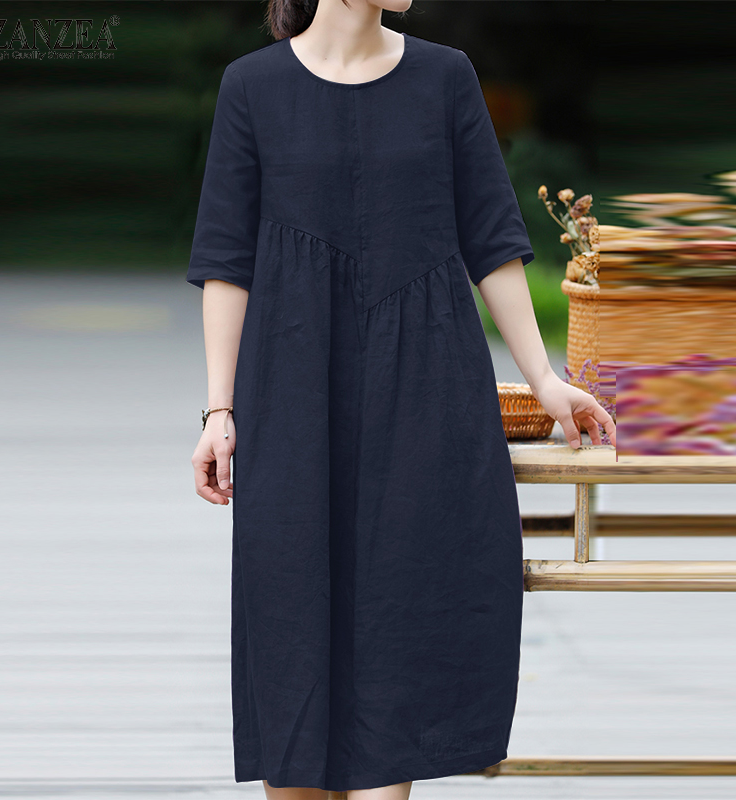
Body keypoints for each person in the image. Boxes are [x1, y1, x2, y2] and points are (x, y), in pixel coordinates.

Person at [187, 1, 616, 798]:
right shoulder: (251, 87)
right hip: (291, 390)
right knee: (290, 609)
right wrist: (220, 410)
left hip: (426, 386)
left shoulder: (446, 77)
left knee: (409, 603)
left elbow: (491, 238)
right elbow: (226, 259)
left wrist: (545, 378)